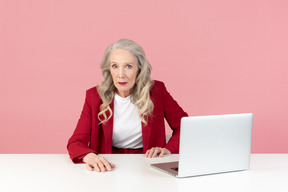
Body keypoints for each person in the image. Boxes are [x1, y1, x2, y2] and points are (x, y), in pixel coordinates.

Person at [67, 39, 188, 172]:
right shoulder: (94, 96)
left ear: (139, 69)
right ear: (109, 69)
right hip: (109, 166)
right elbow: (75, 142)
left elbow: (186, 127)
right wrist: (89, 156)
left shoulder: (157, 91)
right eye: (115, 66)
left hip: (148, 166)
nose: (121, 75)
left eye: (128, 66)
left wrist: (167, 149)